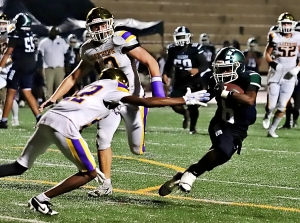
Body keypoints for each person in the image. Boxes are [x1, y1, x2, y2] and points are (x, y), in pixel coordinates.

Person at [0, 67, 210, 215]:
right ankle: (41, 199)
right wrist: (184, 99)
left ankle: (40, 198)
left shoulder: (95, 85)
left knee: (19, 166)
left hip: (48, 118)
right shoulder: (115, 88)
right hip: (64, 124)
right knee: (89, 173)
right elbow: (146, 101)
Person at [40, 7, 166, 197]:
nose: (99, 30)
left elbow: (150, 61)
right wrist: (54, 96)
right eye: (95, 26)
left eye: (101, 25)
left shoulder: (121, 39)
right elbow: (74, 77)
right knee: (102, 138)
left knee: (136, 149)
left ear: (110, 24)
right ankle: (106, 183)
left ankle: (140, 125)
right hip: (109, 99)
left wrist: (158, 91)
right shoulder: (88, 49)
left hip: (132, 96)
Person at [159, 47, 261, 196]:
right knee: (223, 151)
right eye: (220, 69)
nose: (222, 73)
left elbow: (249, 99)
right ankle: (191, 174)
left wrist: (226, 93)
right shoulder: (215, 79)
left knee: (217, 158)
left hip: (239, 129)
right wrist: (193, 98)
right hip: (221, 123)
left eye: (226, 69)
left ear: (238, 66)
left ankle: (182, 176)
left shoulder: (250, 77)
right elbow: (208, 96)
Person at [162, 26, 209, 134]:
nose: (180, 39)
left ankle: (193, 128)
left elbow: (205, 64)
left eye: (182, 37)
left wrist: (197, 69)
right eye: (178, 37)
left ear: (188, 37)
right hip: (180, 81)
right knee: (173, 102)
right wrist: (165, 73)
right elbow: (169, 63)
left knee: (193, 105)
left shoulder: (195, 48)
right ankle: (185, 113)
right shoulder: (172, 49)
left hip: (194, 81)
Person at [262, 12, 300, 138]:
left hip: (290, 74)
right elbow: (266, 54)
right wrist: (273, 64)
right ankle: (268, 114)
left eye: (288, 23)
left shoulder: (298, 36)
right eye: (284, 23)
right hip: (276, 72)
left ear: (293, 24)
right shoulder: (275, 36)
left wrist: (297, 68)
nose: (286, 25)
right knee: (272, 105)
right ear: (280, 24)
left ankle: (272, 130)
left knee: (283, 105)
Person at [0, 13, 41, 128]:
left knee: (11, 92)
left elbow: (8, 53)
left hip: (19, 66)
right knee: (27, 92)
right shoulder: (30, 34)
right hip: (31, 64)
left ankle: (3, 120)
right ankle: (39, 117)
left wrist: (0, 67)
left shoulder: (16, 35)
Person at [38, 26, 69, 100]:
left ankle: (59, 103)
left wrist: (67, 66)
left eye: (54, 31)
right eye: (51, 31)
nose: (53, 33)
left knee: (59, 86)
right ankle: (48, 103)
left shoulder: (61, 41)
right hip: (48, 68)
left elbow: (66, 54)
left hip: (59, 68)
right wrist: (40, 68)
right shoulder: (43, 42)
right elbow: (40, 56)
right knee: (48, 87)